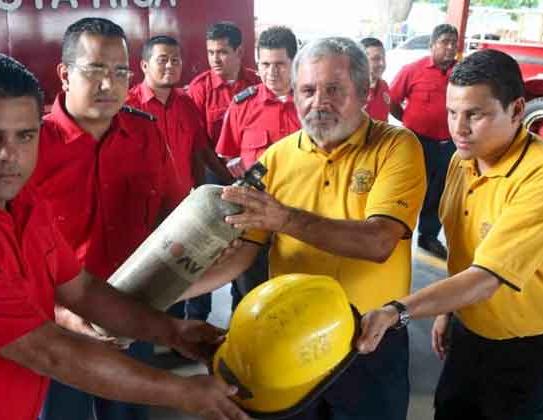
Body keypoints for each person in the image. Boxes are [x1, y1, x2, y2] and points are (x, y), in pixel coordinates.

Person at [0, 51, 248, 420]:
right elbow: (49, 352)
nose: (8, 155)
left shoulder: (17, 199)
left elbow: (79, 289)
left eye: (25, 136)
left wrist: (172, 331)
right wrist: (184, 392)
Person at [183, 37, 426, 420]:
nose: (319, 102)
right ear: (294, 94)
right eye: (308, 90)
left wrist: (286, 219)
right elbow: (243, 254)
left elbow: (379, 241)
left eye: (334, 89)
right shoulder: (277, 158)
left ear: (364, 91)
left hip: (370, 338)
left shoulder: (396, 147)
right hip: (289, 339)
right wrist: (166, 294)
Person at [358, 49, 543, 420]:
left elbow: (486, 278)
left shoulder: (540, 178)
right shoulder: (463, 159)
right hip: (469, 332)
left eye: (475, 115)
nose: (458, 128)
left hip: (527, 348)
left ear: (516, 110)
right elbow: (464, 247)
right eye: (452, 113)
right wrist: (449, 310)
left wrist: (397, 311)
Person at [31, 18, 184, 420]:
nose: (109, 84)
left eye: (120, 73)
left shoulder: (146, 135)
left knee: (131, 413)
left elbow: (173, 213)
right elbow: (7, 250)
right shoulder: (31, 145)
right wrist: (60, 313)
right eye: (95, 70)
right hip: (57, 324)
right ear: (65, 74)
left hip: (131, 312)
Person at [126, 35, 229, 323]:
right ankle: (153, 333)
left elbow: (200, 150)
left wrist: (225, 182)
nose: (170, 65)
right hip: (141, 214)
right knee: (149, 281)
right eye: (162, 60)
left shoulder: (186, 103)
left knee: (185, 274)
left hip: (182, 209)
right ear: (145, 65)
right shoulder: (127, 105)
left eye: (176, 60)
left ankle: (182, 331)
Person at [214, 25, 301, 309]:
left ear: (294, 62)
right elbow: (228, 155)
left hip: (302, 220)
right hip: (252, 225)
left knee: (295, 296)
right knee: (249, 295)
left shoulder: (311, 105)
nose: (271, 72)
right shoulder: (242, 106)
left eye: (280, 65)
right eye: (264, 64)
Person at [390, 24, 459, 259]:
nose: (450, 47)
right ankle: (399, 234)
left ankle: (428, 236)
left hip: (449, 144)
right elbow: (392, 99)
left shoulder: (462, 73)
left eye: (454, 42)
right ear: (432, 45)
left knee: (439, 192)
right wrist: (408, 120)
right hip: (416, 142)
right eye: (445, 42)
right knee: (410, 189)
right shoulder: (413, 70)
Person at [188, 21, 260, 148]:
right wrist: (219, 168)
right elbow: (198, 144)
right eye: (211, 52)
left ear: (239, 52)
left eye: (222, 52)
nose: (215, 59)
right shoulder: (199, 89)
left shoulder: (258, 83)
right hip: (215, 165)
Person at [360, 37, 390, 121]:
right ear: (361, 61)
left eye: (383, 58)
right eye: (376, 59)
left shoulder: (384, 85)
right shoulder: (351, 91)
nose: (382, 63)